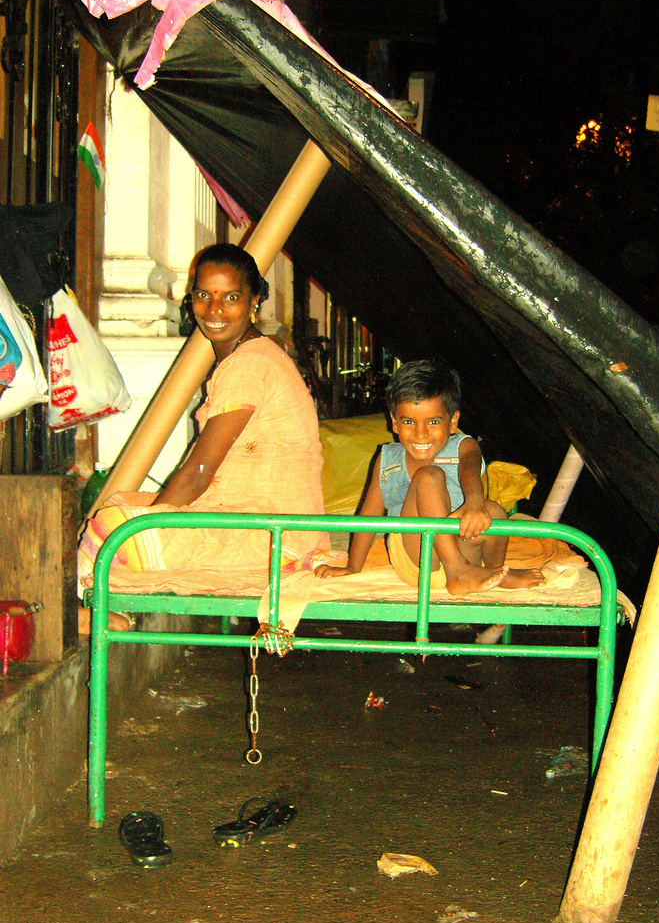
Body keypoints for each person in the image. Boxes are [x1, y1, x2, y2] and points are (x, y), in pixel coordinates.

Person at [78, 244, 328, 633]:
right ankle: (111, 611)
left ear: (253, 302)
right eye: (203, 295)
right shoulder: (249, 355)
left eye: (230, 297)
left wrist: (148, 523)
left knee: (113, 528)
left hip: (274, 541)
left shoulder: (250, 365)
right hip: (266, 525)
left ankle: (95, 611)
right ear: (191, 297)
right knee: (121, 504)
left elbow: (197, 472)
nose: (214, 310)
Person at [315, 359, 543, 595]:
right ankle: (457, 572)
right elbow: (369, 513)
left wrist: (475, 504)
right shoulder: (388, 460)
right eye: (408, 422)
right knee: (429, 476)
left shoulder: (465, 447)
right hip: (417, 558)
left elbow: (470, 474)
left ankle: (493, 573)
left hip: (466, 553)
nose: (421, 434)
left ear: (453, 421)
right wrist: (353, 566)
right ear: (394, 423)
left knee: (494, 510)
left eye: (433, 422)